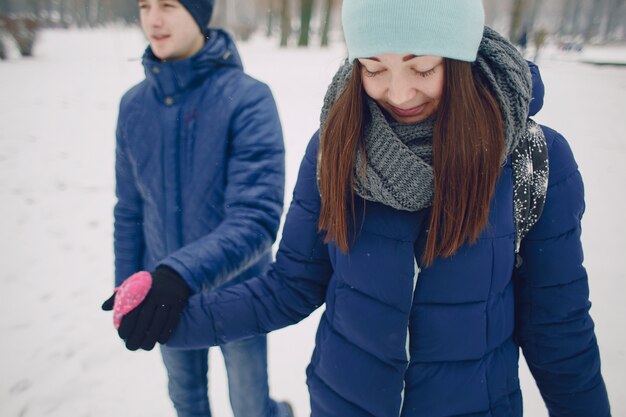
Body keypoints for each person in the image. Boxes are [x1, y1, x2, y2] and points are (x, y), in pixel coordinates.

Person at [119, 1, 612, 416]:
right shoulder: (336, 145)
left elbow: (558, 329)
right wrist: (172, 315)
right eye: (374, 68)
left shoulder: (530, 160)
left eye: (422, 68)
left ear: (460, 57)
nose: (398, 93)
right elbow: (290, 286)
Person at [101, 0, 294, 416]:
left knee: (249, 405)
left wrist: (179, 274)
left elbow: (256, 218)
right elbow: (130, 208)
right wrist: (127, 286)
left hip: (238, 294)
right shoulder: (133, 105)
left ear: (199, 13)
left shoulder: (249, 99)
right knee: (186, 401)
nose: (153, 19)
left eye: (168, 5)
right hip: (163, 294)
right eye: (145, 5)